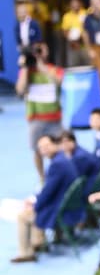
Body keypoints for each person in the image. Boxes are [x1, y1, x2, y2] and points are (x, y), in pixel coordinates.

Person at [13, 134, 84, 263]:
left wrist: (34, 204)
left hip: (62, 211)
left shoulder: (57, 165)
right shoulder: (63, 159)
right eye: (41, 147)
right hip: (69, 204)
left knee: (23, 216)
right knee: (36, 207)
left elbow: (47, 192)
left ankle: (26, 253)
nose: (44, 149)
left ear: (56, 144)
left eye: (47, 145)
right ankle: (38, 241)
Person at [16, 42, 64, 182]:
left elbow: (58, 81)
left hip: (54, 118)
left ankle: (59, 176)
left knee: (59, 149)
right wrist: (25, 67)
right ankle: (42, 179)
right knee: (37, 151)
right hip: (35, 119)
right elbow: (20, 89)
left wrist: (40, 65)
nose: (39, 53)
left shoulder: (55, 69)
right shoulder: (27, 72)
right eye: (36, 50)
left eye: (41, 50)